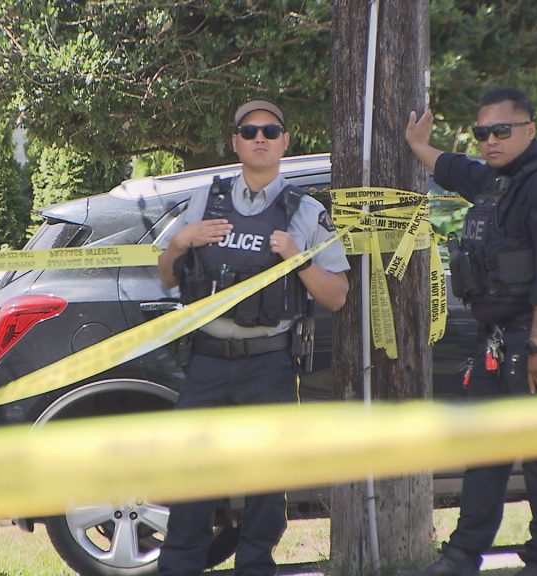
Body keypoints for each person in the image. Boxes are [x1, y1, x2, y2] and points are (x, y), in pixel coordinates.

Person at [404, 88, 537, 576]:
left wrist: (536, 345)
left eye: (501, 131)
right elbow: (449, 165)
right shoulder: (494, 181)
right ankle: (462, 556)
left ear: (529, 130)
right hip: (494, 339)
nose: (490, 141)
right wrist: (418, 143)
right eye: (482, 133)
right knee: (485, 451)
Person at [156, 98, 350, 576]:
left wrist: (298, 260)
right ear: (235, 141)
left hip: (268, 364)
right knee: (190, 476)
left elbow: (338, 295)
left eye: (270, 130)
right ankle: (180, 567)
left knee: (266, 480)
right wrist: (181, 241)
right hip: (207, 359)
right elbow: (166, 276)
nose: (259, 138)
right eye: (249, 131)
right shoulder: (207, 199)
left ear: (285, 141)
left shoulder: (304, 211)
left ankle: (255, 566)